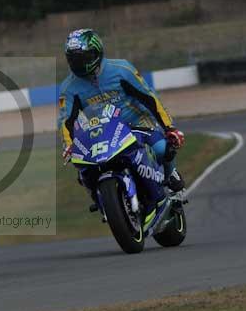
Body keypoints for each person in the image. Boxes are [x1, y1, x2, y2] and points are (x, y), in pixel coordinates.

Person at [57, 28, 186, 200]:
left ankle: (171, 174)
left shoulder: (122, 69)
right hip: (101, 132)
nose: (78, 63)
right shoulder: (68, 88)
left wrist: (170, 128)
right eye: (73, 59)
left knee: (162, 149)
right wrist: (69, 145)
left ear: (97, 52)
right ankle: (101, 199)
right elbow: (66, 121)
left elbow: (149, 98)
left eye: (83, 58)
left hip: (137, 123)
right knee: (84, 171)